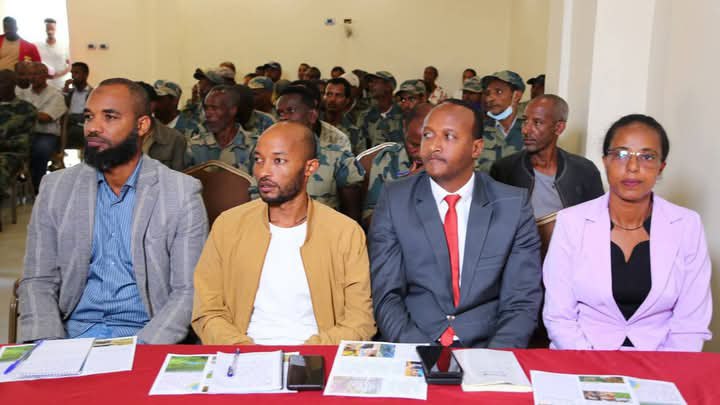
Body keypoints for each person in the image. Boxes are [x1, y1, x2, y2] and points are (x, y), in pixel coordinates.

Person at [18, 78, 208, 343]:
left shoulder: (180, 193)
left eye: (109, 117)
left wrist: (143, 350)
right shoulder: (56, 188)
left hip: (146, 336)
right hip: (72, 335)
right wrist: (48, 346)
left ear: (142, 125)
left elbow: (188, 291)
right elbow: (38, 279)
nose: (93, 128)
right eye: (89, 117)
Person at [370, 99, 542, 348]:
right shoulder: (395, 199)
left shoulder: (512, 206)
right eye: (428, 135)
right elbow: (386, 295)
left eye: (449, 136)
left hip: (487, 344)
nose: (434, 146)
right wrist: (419, 351)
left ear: (476, 148)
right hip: (414, 339)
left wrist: (494, 358)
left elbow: (521, 300)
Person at [192, 121, 375, 345]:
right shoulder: (228, 226)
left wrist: (309, 353)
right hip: (240, 352)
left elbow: (360, 321)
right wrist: (243, 348)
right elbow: (207, 310)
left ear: (310, 168)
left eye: (279, 161)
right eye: (259, 160)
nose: (263, 172)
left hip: (318, 353)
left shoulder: (345, 233)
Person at [543, 114, 712, 352]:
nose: (633, 167)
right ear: (605, 161)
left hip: (662, 359)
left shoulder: (686, 225)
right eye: (621, 154)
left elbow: (690, 324)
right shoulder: (572, 222)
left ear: (661, 166)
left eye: (647, 156)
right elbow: (559, 317)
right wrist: (593, 367)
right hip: (581, 356)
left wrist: (664, 369)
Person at [490, 95, 604, 218]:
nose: (526, 130)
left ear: (559, 128)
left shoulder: (585, 170)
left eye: (537, 123)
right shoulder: (504, 170)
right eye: (525, 121)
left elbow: (597, 220)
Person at [274, 85, 364, 216]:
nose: (283, 117)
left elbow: (351, 213)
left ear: (312, 116)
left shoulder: (338, 157)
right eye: (280, 113)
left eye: (290, 111)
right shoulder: (266, 157)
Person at [361, 103, 431, 226]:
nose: (421, 153)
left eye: (428, 145)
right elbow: (371, 221)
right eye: (414, 145)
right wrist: (405, 187)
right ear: (404, 128)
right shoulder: (388, 160)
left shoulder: (454, 162)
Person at [188, 84, 254, 168]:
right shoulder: (194, 145)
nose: (207, 114)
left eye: (214, 108)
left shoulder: (254, 145)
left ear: (232, 110)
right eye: (206, 108)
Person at [24, 62, 66, 192]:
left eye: (36, 74)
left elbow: (45, 118)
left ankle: (38, 188)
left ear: (45, 76)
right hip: (25, 134)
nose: (32, 77)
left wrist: (24, 112)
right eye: (30, 74)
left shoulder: (55, 95)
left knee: (40, 149)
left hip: (46, 135)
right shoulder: (24, 93)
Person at [476, 70, 526, 172]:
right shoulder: (479, 130)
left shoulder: (531, 130)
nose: (489, 99)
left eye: (498, 92)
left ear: (516, 96)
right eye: (488, 93)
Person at [136, 81, 187, 171]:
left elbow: (179, 175)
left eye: (160, 99)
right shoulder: (115, 135)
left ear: (151, 105)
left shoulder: (175, 138)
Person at [0, 69, 35, 196]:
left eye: (2, 82)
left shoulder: (26, 109)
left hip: (10, 155)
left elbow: (24, 142)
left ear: (13, 84)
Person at [361, 71, 404, 149]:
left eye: (375, 82)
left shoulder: (403, 113)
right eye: (370, 82)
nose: (370, 85)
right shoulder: (365, 116)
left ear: (388, 86)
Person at [322, 77, 361, 154]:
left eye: (338, 95)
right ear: (324, 97)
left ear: (347, 100)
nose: (332, 99)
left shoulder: (354, 133)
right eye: (329, 94)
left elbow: (360, 159)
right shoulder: (313, 125)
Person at [63, 62, 92, 150]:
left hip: (83, 123)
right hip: (68, 123)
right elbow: (62, 108)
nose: (73, 76)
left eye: (76, 73)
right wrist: (65, 90)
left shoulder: (93, 93)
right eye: (72, 73)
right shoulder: (69, 92)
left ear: (85, 75)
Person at [36, 18, 70, 89]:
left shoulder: (64, 45)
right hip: (45, 85)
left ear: (56, 29)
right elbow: (35, 63)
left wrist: (58, 75)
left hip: (61, 84)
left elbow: (70, 65)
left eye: (52, 29)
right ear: (45, 30)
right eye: (48, 29)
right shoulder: (37, 45)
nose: (50, 31)